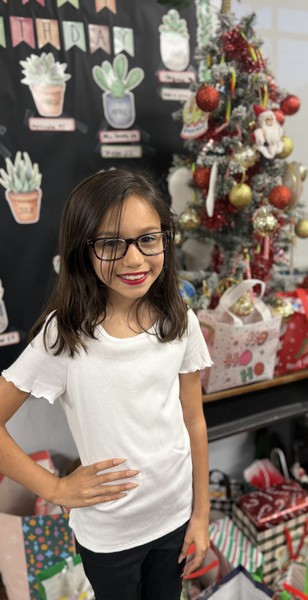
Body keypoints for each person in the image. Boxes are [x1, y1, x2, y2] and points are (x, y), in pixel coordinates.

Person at [0, 169, 213, 600]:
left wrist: (201, 514)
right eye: (112, 244)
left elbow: (194, 422)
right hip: (111, 537)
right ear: (83, 250)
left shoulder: (180, 321)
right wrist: (55, 488)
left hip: (175, 518)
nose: (134, 260)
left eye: (148, 239)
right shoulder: (65, 335)